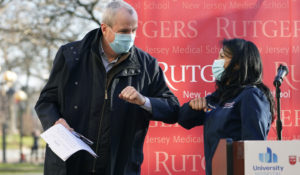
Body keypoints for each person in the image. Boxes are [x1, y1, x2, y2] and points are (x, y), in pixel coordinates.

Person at [35, 1, 179, 175]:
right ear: (104, 29)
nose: (131, 36)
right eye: (124, 31)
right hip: (70, 165)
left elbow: (173, 109)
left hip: (119, 166)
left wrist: (144, 101)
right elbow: (45, 102)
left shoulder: (147, 64)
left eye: (134, 30)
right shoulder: (70, 55)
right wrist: (56, 122)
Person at [178, 38, 275, 175]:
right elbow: (184, 119)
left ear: (237, 65)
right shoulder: (219, 97)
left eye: (222, 57)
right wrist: (191, 106)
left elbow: (255, 147)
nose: (216, 61)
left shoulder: (251, 95)